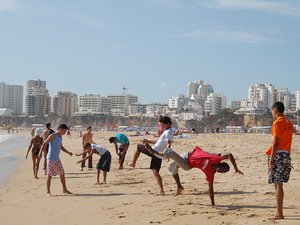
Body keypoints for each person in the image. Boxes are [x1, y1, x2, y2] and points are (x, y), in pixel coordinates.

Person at [144, 144, 243, 206]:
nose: (221, 170)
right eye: (223, 168)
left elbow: (210, 189)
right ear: (221, 163)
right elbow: (229, 155)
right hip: (187, 156)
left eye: (222, 172)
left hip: (186, 165)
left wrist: (213, 204)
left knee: (169, 151)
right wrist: (236, 168)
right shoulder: (216, 158)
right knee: (171, 167)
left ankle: (153, 151)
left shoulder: (210, 173)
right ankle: (179, 187)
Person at [127, 116, 173, 196]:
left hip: (154, 152)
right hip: (157, 154)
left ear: (168, 123)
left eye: (163, 125)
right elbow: (159, 142)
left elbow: (168, 143)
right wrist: (148, 141)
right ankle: (161, 191)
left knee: (139, 147)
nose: (162, 127)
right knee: (155, 172)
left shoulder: (168, 132)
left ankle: (133, 163)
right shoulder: (168, 131)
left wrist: (167, 154)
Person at [266, 102, 294, 220]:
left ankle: (279, 213)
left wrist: (271, 162)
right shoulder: (289, 122)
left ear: (275, 111)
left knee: (278, 185)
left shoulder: (277, 123)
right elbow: (288, 141)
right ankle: (279, 211)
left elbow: (276, 144)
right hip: (286, 154)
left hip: (278, 155)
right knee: (279, 184)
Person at [38, 124, 73, 197]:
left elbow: (61, 147)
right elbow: (44, 143)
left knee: (62, 173)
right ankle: (48, 192)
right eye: (64, 131)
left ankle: (64, 189)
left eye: (66, 131)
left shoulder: (60, 138)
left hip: (57, 158)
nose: (65, 132)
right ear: (60, 129)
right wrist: (40, 152)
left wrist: (68, 152)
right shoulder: (53, 135)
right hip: (50, 158)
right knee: (49, 175)